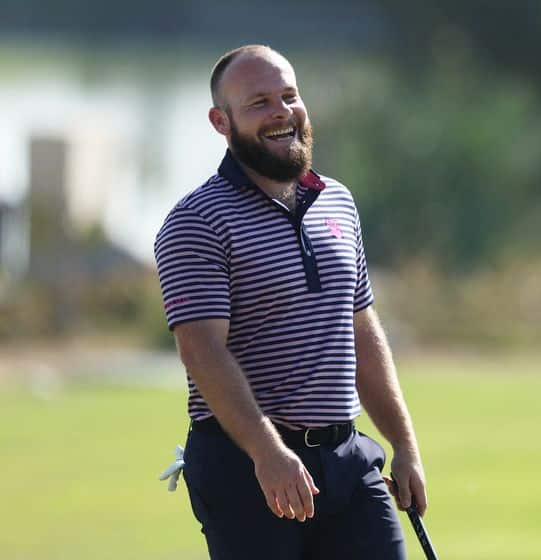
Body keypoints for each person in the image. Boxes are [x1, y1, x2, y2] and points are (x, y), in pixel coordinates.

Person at [153, 44, 427, 559]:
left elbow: (361, 330)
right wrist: (267, 451)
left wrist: (404, 445)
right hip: (247, 465)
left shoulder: (338, 202)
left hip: (347, 457)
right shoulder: (197, 221)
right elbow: (202, 351)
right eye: (258, 103)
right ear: (221, 122)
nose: (281, 112)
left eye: (289, 96)